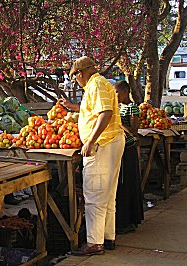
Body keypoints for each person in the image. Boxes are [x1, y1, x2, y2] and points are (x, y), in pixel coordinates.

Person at [60, 56, 125, 255]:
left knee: (95, 194)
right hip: (112, 140)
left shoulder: (96, 84)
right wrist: (72, 107)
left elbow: (105, 113)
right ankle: (107, 237)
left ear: (80, 73)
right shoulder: (99, 84)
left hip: (103, 144)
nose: (76, 81)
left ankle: (95, 243)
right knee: (107, 194)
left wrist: (90, 140)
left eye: (75, 77)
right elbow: (95, 112)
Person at [113, 80, 144, 234]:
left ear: (125, 92)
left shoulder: (133, 108)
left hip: (128, 149)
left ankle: (129, 221)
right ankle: (121, 220)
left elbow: (134, 131)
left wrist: (118, 123)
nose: (115, 95)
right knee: (119, 186)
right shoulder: (116, 107)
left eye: (117, 92)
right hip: (117, 148)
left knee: (127, 184)